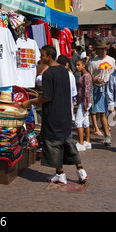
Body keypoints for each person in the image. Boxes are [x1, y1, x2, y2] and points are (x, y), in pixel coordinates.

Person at [21, 45, 87, 185]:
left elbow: (46, 97)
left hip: (53, 114)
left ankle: (60, 173)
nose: (40, 58)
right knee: (67, 141)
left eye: (42, 55)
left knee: (54, 144)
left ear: (49, 57)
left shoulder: (48, 74)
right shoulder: (64, 70)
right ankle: (80, 170)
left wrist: (29, 102)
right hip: (65, 112)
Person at [88, 39, 116, 146]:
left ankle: (107, 128)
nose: (103, 51)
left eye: (105, 49)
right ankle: (107, 136)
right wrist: (95, 80)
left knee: (111, 112)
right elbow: (89, 77)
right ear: (97, 50)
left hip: (112, 88)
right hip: (99, 89)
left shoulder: (112, 60)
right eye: (101, 49)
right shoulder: (93, 62)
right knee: (102, 113)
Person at [74, 58, 93, 151]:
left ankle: (81, 143)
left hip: (84, 101)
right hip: (83, 101)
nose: (77, 67)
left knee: (78, 121)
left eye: (78, 65)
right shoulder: (83, 75)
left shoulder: (86, 76)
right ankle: (88, 142)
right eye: (76, 65)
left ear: (83, 65)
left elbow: (87, 91)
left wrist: (85, 104)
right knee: (85, 122)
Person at [57, 54, 77, 121]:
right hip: (68, 107)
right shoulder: (70, 75)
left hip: (57, 108)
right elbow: (73, 94)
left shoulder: (53, 73)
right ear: (67, 64)